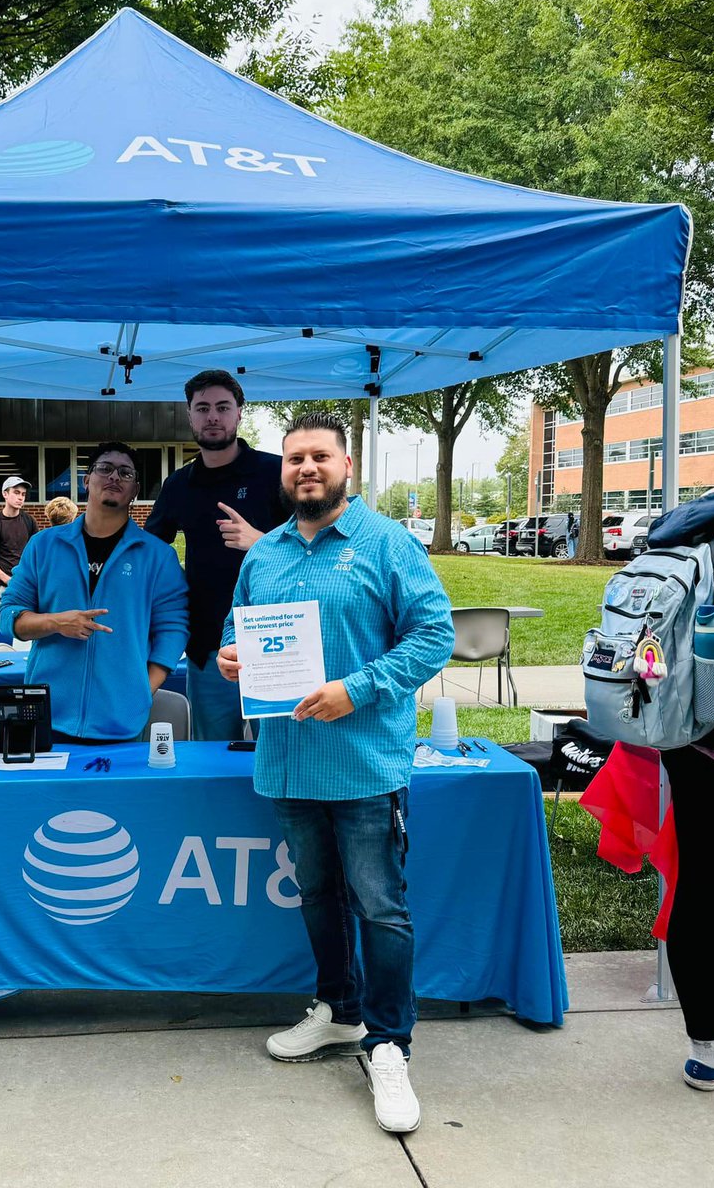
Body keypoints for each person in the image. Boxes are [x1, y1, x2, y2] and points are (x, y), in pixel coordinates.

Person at [218, 412, 453, 1134]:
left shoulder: (387, 544)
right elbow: (239, 630)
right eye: (295, 459)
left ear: (346, 466)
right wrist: (234, 656)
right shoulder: (266, 555)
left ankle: (389, 1043)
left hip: (365, 765)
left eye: (320, 456)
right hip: (289, 763)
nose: (306, 468)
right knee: (317, 894)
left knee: (380, 907)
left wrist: (357, 687)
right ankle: (339, 1010)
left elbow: (435, 633)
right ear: (283, 473)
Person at [645, 422, 714, 1093]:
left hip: (693, 729)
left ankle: (708, 1050)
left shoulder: (697, 518)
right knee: (711, 893)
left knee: (706, 892)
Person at [0, 441, 188, 743]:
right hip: (47, 717)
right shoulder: (44, 545)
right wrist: (55, 623)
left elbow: (173, 628)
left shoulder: (157, 556)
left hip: (121, 722)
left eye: (125, 473)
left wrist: (142, 688)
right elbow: (9, 613)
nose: (114, 477)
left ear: (135, 489)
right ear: (86, 481)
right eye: (105, 468)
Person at [146, 370, 289, 740]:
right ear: (189, 415)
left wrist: (260, 540)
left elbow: (317, 546)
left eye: (223, 407)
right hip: (208, 645)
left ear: (240, 413)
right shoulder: (179, 484)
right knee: (213, 756)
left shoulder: (275, 472)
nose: (213, 416)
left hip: (276, 641)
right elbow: (150, 551)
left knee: (278, 753)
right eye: (203, 408)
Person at [0, 475, 37, 587]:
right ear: (5, 494)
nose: (20, 498)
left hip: (24, 583)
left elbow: (37, 553)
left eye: (23, 494)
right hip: (0, 585)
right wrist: (7, 580)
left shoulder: (29, 521)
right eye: (16, 492)